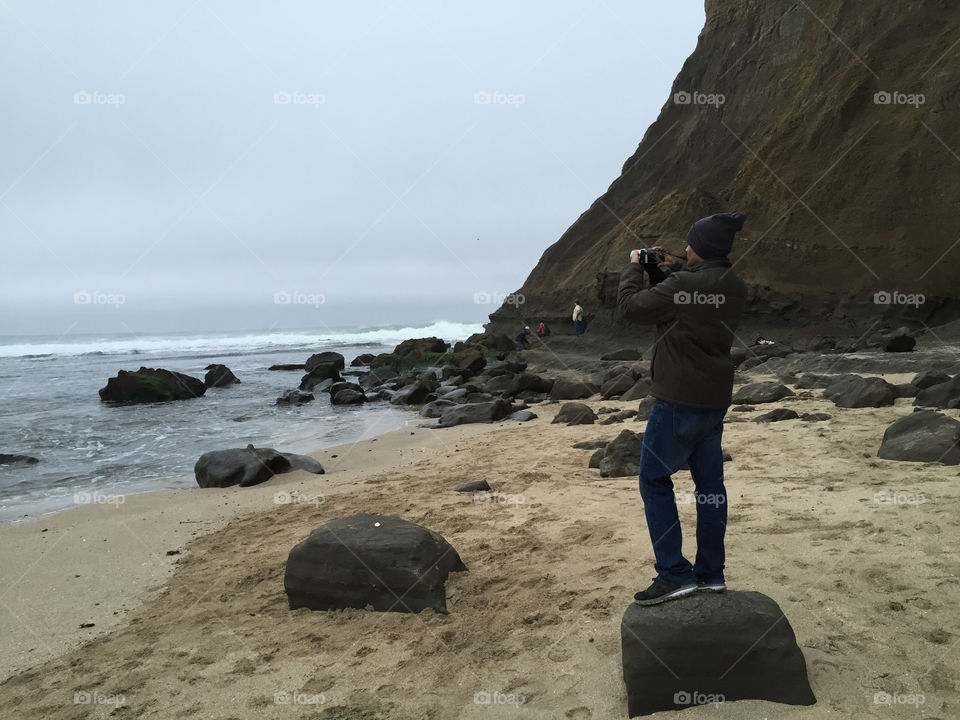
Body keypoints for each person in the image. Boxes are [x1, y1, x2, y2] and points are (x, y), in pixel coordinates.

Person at [617, 212, 749, 606]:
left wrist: (634, 269)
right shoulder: (734, 286)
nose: (683, 248)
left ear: (702, 248)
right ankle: (710, 574)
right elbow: (683, 310)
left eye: (689, 243)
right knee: (710, 489)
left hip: (677, 400)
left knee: (654, 482)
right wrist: (669, 272)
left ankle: (673, 574)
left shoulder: (684, 284)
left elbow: (633, 308)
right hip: (713, 400)